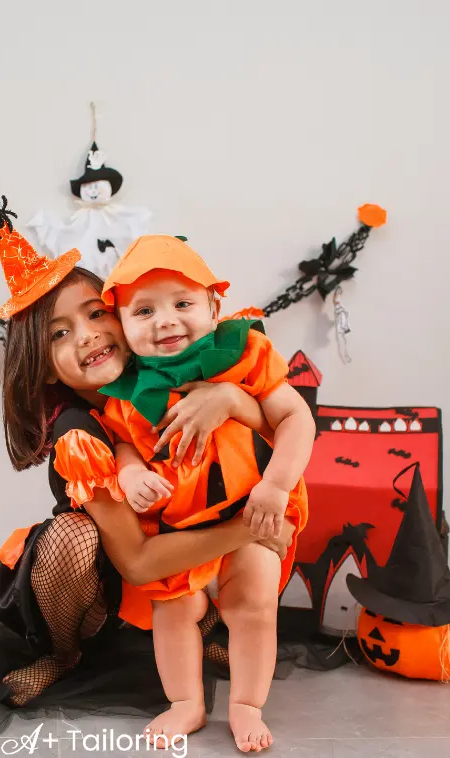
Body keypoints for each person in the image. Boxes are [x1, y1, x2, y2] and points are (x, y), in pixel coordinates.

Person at [0, 199, 341, 748]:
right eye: (58, 334)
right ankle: (65, 654)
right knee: (86, 544)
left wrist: (230, 400)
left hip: (196, 536)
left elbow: (280, 419)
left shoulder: (179, 357)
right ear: (44, 365)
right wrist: (241, 525)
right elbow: (139, 559)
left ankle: (225, 664)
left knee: (242, 601)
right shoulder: (82, 429)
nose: (87, 335)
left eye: (96, 314)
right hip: (119, 572)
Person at [96, 234, 315, 751]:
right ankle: (185, 702)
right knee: (173, 610)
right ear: (122, 327)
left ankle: (246, 704)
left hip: (253, 505)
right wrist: (131, 474)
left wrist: (276, 485)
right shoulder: (128, 389)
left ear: (214, 308)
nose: (166, 321)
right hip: (180, 523)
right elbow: (122, 443)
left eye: (183, 304)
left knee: (252, 601)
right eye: (144, 311)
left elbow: (296, 418)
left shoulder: (245, 356)